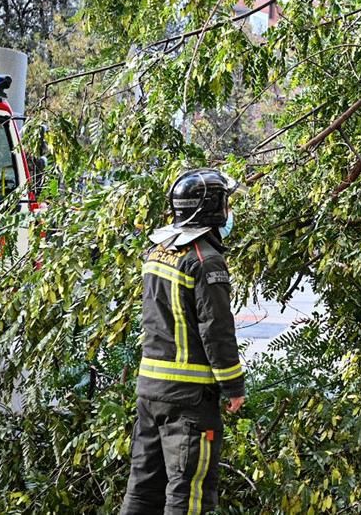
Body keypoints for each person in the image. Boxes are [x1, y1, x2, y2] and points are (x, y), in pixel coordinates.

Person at [121, 169, 246, 515]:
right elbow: (216, 329)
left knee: (143, 488)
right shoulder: (205, 261)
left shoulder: (157, 252)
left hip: (150, 392)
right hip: (188, 401)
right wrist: (233, 387)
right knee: (188, 494)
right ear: (215, 209)